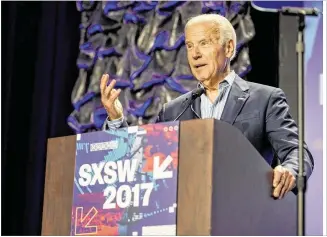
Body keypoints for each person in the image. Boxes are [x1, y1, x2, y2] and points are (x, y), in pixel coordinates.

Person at [100, 14, 314, 199]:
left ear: (228, 47)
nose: (194, 54)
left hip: (246, 216)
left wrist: (289, 170)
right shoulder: (173, 111)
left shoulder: (265, 99)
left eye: (204, 43)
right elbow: (141, 165)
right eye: (190, 46)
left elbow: (297, 152)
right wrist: (117, 120)